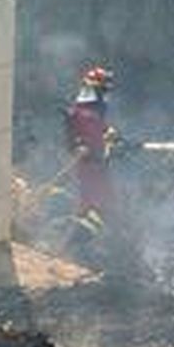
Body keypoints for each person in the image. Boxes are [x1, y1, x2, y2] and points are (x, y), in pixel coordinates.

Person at [63, 66, 119, 232]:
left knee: (104, 199)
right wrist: (78, 145)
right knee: (91, 199)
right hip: (87, 164)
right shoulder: (80, 112)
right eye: (103, 90)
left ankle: (93, 232)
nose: (106, 94)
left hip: (97, 163)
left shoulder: (93, 112)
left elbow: (101, 129)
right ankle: (77, 234)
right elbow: (73, 133)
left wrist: (109, 132)